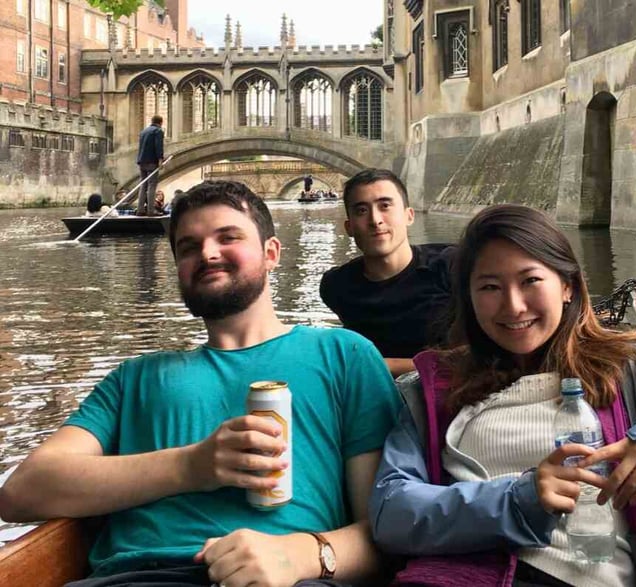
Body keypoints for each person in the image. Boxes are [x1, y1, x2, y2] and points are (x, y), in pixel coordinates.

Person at [368, 204, 636, 587]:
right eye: (490, 287)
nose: (513, 306)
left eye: (530, 280)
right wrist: (518, 500)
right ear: (470, 298)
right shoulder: (433, 389)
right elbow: (391, 512)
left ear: (568, 285)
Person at [0, 180, 402, 587]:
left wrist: (299, 555)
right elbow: (22, 493)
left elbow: (388, 532)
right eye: (189, 247)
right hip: (128, 579)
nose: (207, 254)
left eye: (228, 238)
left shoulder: (344, 355)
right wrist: (193, 466)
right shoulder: (134, 377)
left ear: (271, 254)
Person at [320, 169, 454, 377]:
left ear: (409, 216)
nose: (375, 220)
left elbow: (479, 356)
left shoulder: (451, 266)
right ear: (349, 227)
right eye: (362, 211)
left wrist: (381, 365)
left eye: (385, 206)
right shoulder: (336, 286)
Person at [136, 114, 165, 217]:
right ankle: (150, 211)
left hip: (141, 161)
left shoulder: (143, 131)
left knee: (143, 185)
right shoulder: (158, 131)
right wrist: (160, 159)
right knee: (152, 185)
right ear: (160, 122)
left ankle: (140, 210)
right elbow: (158, 146)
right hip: (152, 161)